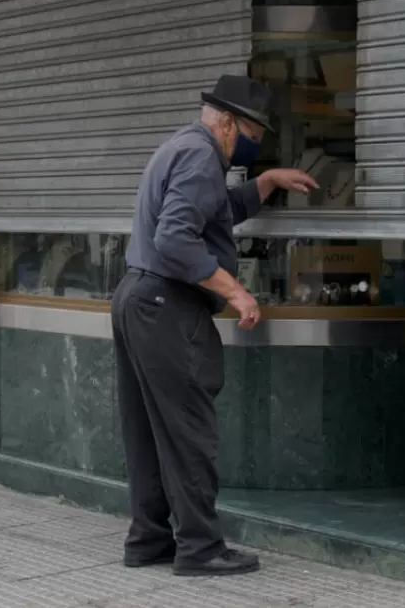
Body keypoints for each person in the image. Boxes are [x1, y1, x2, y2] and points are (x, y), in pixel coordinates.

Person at [112, 75, 317, 577]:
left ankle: (149, 539)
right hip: (167, 303)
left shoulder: (181, 147)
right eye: (252, 131)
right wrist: (236, 290)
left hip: (135, 297)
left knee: (147, 431)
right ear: (226, 122)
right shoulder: (203, 157)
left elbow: (213, 211)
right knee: (189, 431)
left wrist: (265, 183)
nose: (255, 142)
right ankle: (200, 549)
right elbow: (177, 239)